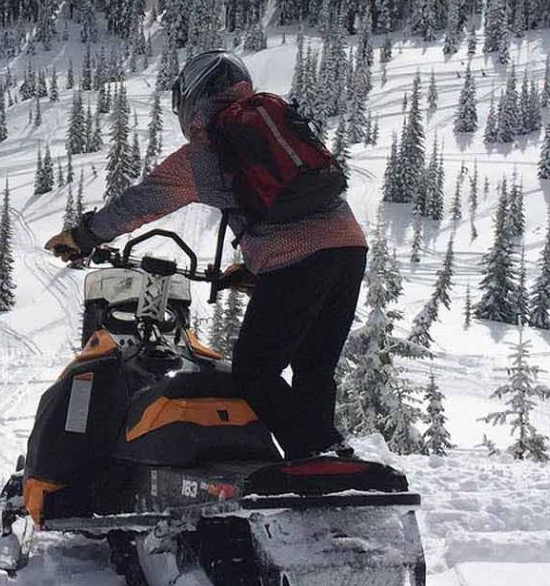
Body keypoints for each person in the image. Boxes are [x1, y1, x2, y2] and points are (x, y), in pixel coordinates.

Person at [46, 50, 368, 458]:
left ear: (191, 99)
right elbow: (296, 203)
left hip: (296, 259)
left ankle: (317, 453)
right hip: (350, 248)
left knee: (254, 370)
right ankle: (326, 463)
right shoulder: (275, 124)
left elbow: (141, 202)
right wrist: (257, 271)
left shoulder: (207, 150)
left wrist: (84, 236)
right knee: (314, 368)